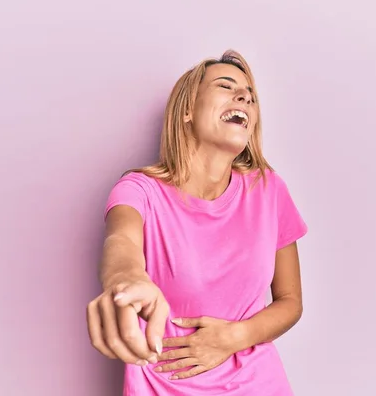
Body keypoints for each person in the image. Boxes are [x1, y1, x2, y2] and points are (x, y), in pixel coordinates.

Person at [86, 50, 308, 396]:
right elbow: (121, 243)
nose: (245, 98)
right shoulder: (140, 190)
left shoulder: (269, 190)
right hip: (164, 383)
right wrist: (126, 281)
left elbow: (291, 300)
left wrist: (234, 337)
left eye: (250, 95)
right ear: (187, 110)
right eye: (226, 86)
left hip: (258, 383)